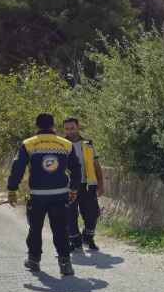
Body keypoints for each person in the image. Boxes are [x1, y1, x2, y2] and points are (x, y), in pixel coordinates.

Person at [8, 112, 81, 276]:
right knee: (60, 229)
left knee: (35, 228)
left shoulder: (28, 144)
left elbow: (17, 168)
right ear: (54, 126)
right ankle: (65, 264)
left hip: (36, 197)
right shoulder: (66, 144)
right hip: (60, 195)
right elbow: (76, 169)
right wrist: (74, 189)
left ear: (36, 127)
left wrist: (12, 190)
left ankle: (34, 261)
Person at [62, 116, 105, 252]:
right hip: (67, 186)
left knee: (92, 214)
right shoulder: (60, 144)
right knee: (70, 215)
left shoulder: (88, 143)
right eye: (67, 129)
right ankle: (75, 242)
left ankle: (87, 238)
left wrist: (100, 184)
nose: (70, 131)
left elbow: (96, 164)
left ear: (78, 127)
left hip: (87, 185)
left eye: (72, 128)